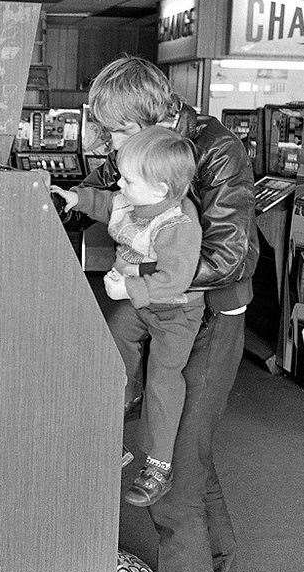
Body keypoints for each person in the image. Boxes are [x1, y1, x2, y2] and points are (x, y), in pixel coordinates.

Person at [70, 55, 258, 572]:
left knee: (174, 472)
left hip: (209, 318)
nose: (112, 146)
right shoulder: (137, 147)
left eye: (119, 132)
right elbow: (106, 189)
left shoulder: (217, 149)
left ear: (154, 117)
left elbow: (231, 257)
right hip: (158, 310)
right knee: (187, 452)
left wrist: (144, 278)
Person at [52, 125, 202, 508]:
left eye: (128, 179)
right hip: (140, 303)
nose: (119, 183)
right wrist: (76, 197)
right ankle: (114, 419)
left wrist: (129, 290)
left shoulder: (178, 226)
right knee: (111, 350)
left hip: (175, 310)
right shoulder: (132, 199)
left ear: (161, 191)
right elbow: (106, 204)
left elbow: (176, 279)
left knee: (164, 379)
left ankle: (158, 465)